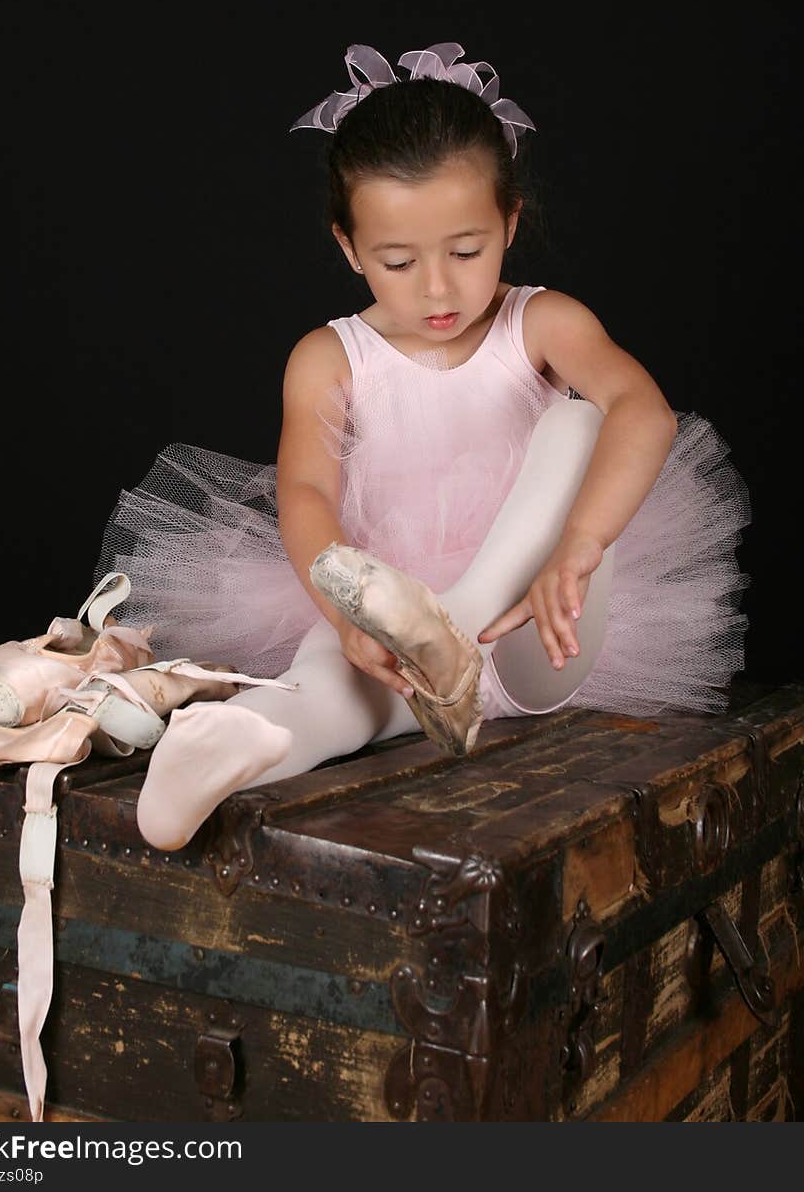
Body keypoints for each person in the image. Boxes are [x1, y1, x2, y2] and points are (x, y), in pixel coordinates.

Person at [94, 42, 750, 851]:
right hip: (401, 619)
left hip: (537, 624)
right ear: (348, 247)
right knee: (334, 691)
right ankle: (237, 739)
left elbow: (643, 412)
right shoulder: (330, 356)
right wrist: (344, 611)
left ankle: (453, 637)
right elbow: (304, 496)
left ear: (511, 222)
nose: (437, 289)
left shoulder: (541, 323)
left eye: (466, 252)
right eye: (398, 262)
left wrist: (578, 546)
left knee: (580, 420)